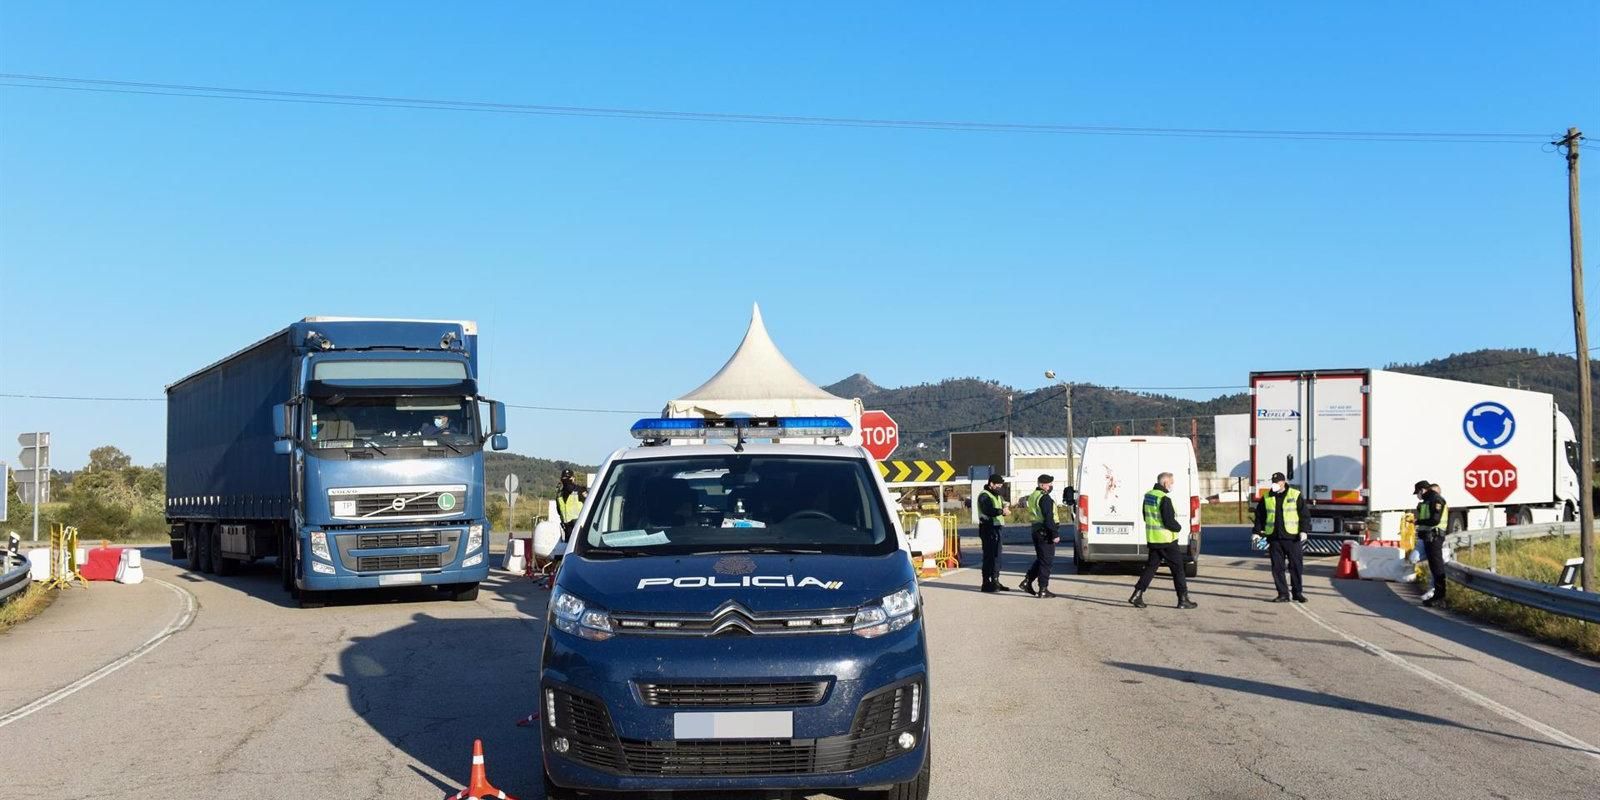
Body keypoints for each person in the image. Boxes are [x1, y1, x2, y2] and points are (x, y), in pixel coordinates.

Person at [1129, 472, 1197, 609]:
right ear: (1165, 483)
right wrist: (1178, 527)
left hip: (1153, 539)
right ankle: (1183, 599)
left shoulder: (1148, 496)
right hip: (1167, 541)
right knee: (1178, 569)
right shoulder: (1164, 498)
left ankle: (1137, 594)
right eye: (1171, 483)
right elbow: (1169, 522)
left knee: (1151, 568)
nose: (1172, 485)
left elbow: (1145, 516)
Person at [1253, 471, 1309, 603]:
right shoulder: (1266, 497)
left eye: (1277, 482)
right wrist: (1256, 532)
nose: (1275, 485)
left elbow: (1304, 515)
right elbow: (1260, 516)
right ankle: (1283, 594)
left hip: (1292, 538)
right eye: (1273, 482)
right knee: (1277, 568)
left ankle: (1297, 593)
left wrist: (1304, 531)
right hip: (1274, 538)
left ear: (1283, 482)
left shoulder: (1295, 495)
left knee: (1296, 566)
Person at [1019, 474, 1060, 598]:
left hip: (1036, 531)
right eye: (1049, 484)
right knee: (1046, 562)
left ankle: (1027, 581)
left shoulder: (1033, 496)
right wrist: (1054, 534)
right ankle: (1043, 589)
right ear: (1042, 485)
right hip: (1045, 532)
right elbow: (1048, 517)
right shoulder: (1044, 498)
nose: (1051, 486)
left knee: (1041, 559)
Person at [1414, 479, 1450, 607]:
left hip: (1435, 537)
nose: (1418, 495)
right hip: (1429, 538)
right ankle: (1437, 595)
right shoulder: (1428, 501)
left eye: (1418, 492)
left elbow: (1434, 520)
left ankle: (1440, 596)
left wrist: (1418, 522)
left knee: (1437, 566)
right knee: (1434, 567)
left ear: (1422, 490)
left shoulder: (1436, 500)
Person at [976, 474, 1012, 593]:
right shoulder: (984, 495)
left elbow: (1001, 504)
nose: (1000, 487)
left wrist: (1005, 506)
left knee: (997, 556)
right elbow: (988, 510)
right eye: (998, 485)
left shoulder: (996, 495)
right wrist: (1002, 511)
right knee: (989, 556)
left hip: (997, 528)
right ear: (991, 484)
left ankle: (995, 581)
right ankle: (986, 582)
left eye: (1001, 485)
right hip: (988, 528)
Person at [558, 469, 587, 539]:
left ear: (573, 478)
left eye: (568, 478)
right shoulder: (559, 494)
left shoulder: (580, 490)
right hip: (566, 529)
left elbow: (589, 506)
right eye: (564, 478)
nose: (566, 480)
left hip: (579, 527)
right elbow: (559, 510)